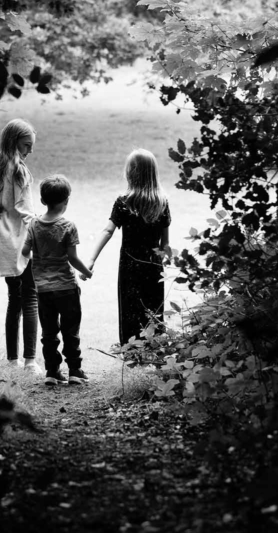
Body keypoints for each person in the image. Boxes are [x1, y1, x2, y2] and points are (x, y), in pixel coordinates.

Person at [88, 149, 172, 346]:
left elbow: (108, 231)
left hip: (130, 265)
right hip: (153, 266)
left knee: (130, 307)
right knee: (153, 306)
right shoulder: (162, 202)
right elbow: (165, 242)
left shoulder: (124, 201)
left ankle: (131, 348)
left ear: (131, 172)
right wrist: (167, 258)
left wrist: (91, 259)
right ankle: (154, 346)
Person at [22, 174, 93, 385]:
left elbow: (25, 251)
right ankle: (74, 370)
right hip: (66, 288)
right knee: (70, 330)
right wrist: (87, 272)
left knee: (49, 332)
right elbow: (72, 258)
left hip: (43, 290)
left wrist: (41, 258)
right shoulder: (68, 226)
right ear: (66, 201)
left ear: (43, 201)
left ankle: (52, 372)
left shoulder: (34, 224)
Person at [0, 118, 41, 373]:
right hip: (21, 240)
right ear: (14, 141)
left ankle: (12, 359)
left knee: (13, 300)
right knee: (30, 298)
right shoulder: (19, 170)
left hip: (1, 243)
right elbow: (26, 211)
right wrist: (42, 235)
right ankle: (29, 360)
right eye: (27, 145)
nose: (29, 151)